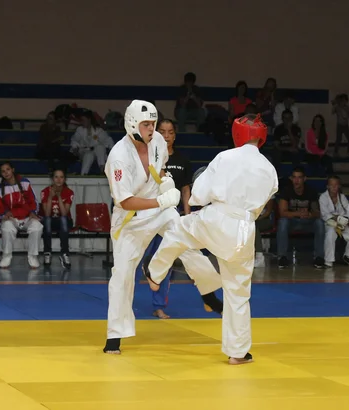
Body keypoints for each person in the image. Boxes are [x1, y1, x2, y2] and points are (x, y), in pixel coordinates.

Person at [146, 113, 278, 365]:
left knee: (178, 229)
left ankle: (155, 273)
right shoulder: (269, 169)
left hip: (217, 219)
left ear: (238, 134)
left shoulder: (225, 157)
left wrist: (197, 202)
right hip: (244, 231)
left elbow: (198, 194)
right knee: (238, 293)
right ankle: (238, 352)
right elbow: (262, 206)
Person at [103, 100, 223, 355]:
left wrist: (166, 181)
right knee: (122, 276)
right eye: (146, 124)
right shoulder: (118, 156)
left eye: (153, 123)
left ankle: (209, 293)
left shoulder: (157, 140)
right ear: (132, 123)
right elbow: (123, 200)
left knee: (185, 238)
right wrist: (159, 200)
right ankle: (115, 336)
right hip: (130, 219)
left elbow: (161, 166)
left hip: (159, 209)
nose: (151, 129)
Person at [135, 119, 193, 319]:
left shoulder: (183, 161)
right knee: (137, 259)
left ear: (174, 135)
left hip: (170, 214)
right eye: (162, 131)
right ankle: (125, 302)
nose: (166, 135)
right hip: (147, 213)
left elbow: (185, 190)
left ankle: (159, 305)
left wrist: (187, 214)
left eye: (170, 132)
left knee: (165, 259)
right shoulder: (148, 157)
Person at [0, 162, 43, 269]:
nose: (6, 173)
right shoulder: (0, 188)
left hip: (27, 217)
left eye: (8, 169)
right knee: (6, 227)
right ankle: (6, 257)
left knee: (37, 226)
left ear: (13, 169)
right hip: (12, 219)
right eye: (3, 171)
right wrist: (4, 214)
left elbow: (33, 201)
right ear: (1, 174)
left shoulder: (25, 183)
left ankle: (33, 257)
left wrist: (33, 212)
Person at [276, 167, 325, 269]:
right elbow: (282, 213)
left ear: (304, 179)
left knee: (319, 223)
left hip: (307, 222)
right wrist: (298, 213)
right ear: (291, 179)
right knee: (282, 222)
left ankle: (319, 257)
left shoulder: (311, 191)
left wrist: (310, 214)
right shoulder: (286, 191)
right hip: (292, 222)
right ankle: (282, 257)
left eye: (299, 178)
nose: (296, 180)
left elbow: (317, 212)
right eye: (294, 177)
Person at [319, 176, 349, 267]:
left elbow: (348, 213)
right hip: (329, 223)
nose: (334, 187)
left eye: (336, 185)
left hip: (342, 222)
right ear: (327, 186)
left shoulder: (342, 197)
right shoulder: (323, 197)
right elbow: (325, 215)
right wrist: (337, 219)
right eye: (331, 185)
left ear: (339, 186)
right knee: (331, 233)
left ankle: (348, 256)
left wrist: (344, 220)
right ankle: (328, 260)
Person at [40, 169, 74, 269]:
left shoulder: (69, 192)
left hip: (65, 221)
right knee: (47, 220)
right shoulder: (45, 191)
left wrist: (59, 197)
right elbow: (46, 213)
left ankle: (65, 253)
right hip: (49, 220)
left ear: (64, 179)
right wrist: (50, 197)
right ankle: (47, 253)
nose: (59, 180)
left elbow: (64, 213)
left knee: (63, 219)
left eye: (61, 177)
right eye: (56, 177)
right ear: (52, 179)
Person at [70, 111, 115, 175]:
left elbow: (108, 140)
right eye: (81, 120)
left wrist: (113, 151)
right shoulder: (80, 130)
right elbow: (74, 139)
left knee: (100, 147)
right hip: (84, 152)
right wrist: (75, 147)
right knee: (89, 155)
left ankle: (102, 168)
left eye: (84, 120)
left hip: (97, 154)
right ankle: (83, 174)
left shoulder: (98, 130)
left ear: (89, 120)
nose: (82, 122)